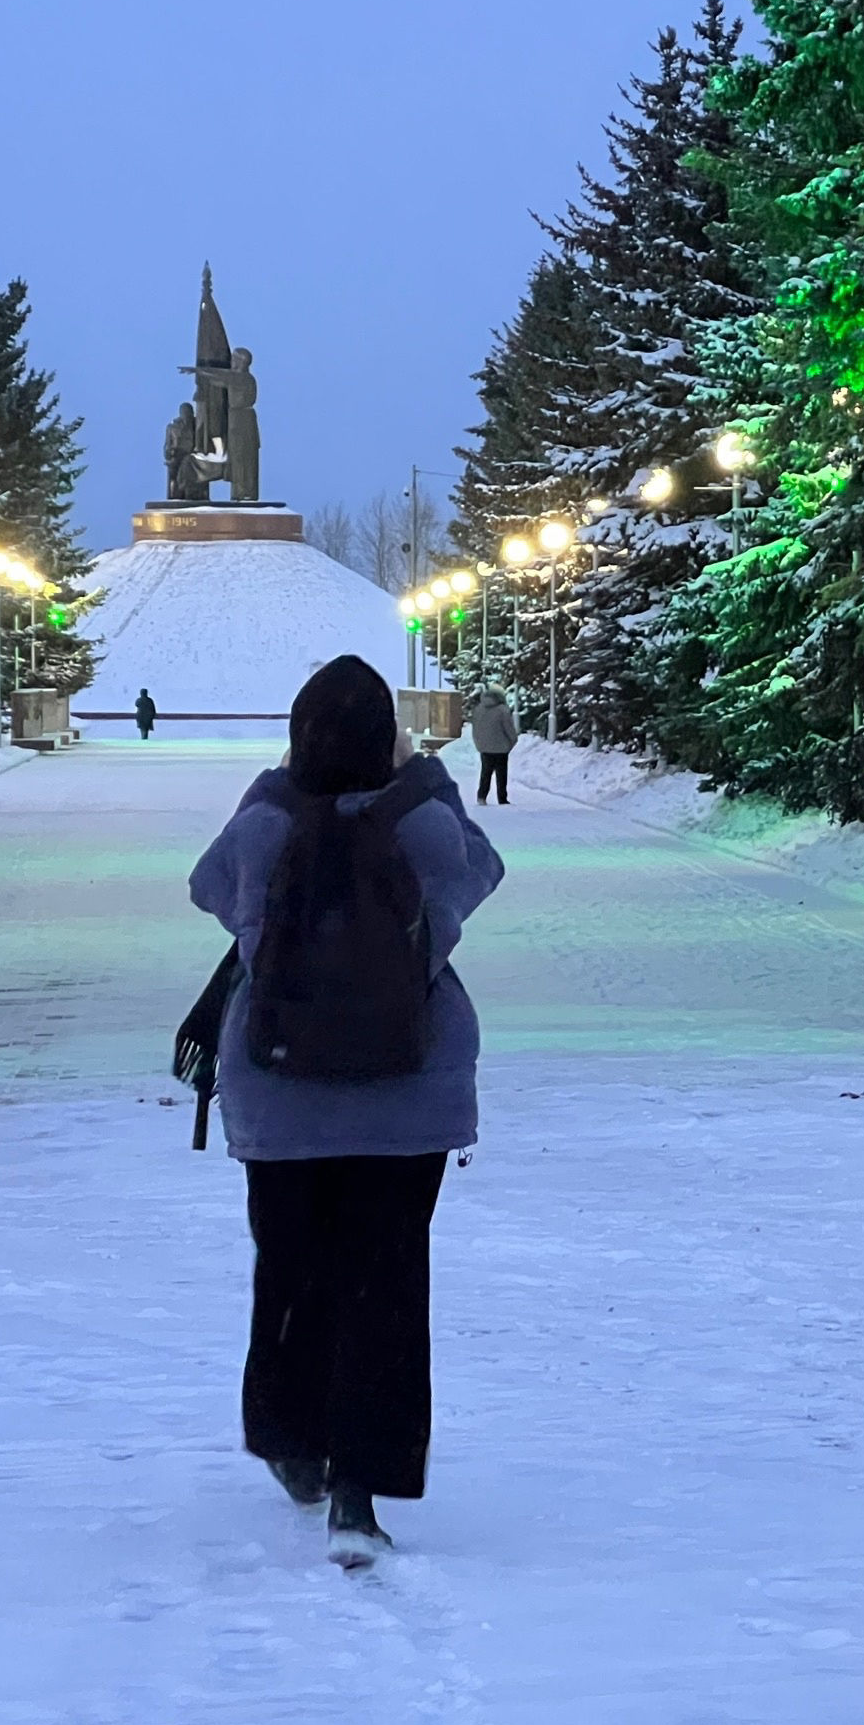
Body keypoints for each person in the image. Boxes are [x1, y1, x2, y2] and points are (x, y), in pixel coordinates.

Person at [187, 656, 504, 1566]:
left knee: (292, 1272)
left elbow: (211, 892)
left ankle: (295, 1444)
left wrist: (277, 796)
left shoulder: (265, 822)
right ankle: (359, 1494)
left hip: (280, 1095)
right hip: (408, 1096)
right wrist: (425, 780)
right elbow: (481, 873)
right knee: (388, 1284)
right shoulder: (428, 824)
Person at [470, 688, 519, 805]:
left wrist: (479, 743)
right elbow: (509, 729)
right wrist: (512, 741)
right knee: (501, 774)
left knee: (485, 773)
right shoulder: (503, 710)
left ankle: (482, 796)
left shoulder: (478, 710)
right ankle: (502, 798)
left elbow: (475, 729)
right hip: (501, 748)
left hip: (484, 747)